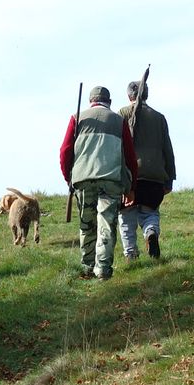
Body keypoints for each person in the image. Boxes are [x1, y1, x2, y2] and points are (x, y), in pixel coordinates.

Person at [59, 86, 138, 279]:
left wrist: (69, 177)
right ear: (109, 102)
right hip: (111, 179)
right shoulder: (119, 121)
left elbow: (64, 151)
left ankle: (87, 267)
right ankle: (102, 269)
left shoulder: (77, 118)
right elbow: (130, 156)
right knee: (106, 224)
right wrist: (131, 186)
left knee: (87, 223)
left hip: (83, 179)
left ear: (91, 101)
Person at [119, 79, 176, 260]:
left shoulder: (122, 114)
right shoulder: (159, 118)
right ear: (146, 94)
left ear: (129, 95)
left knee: (126, 217)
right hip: (154, 177)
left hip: (130, 177)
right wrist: (169, 178)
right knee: (150, 213)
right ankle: (151, 232)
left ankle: (131, 255)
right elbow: (168, 149)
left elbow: (117, 147)